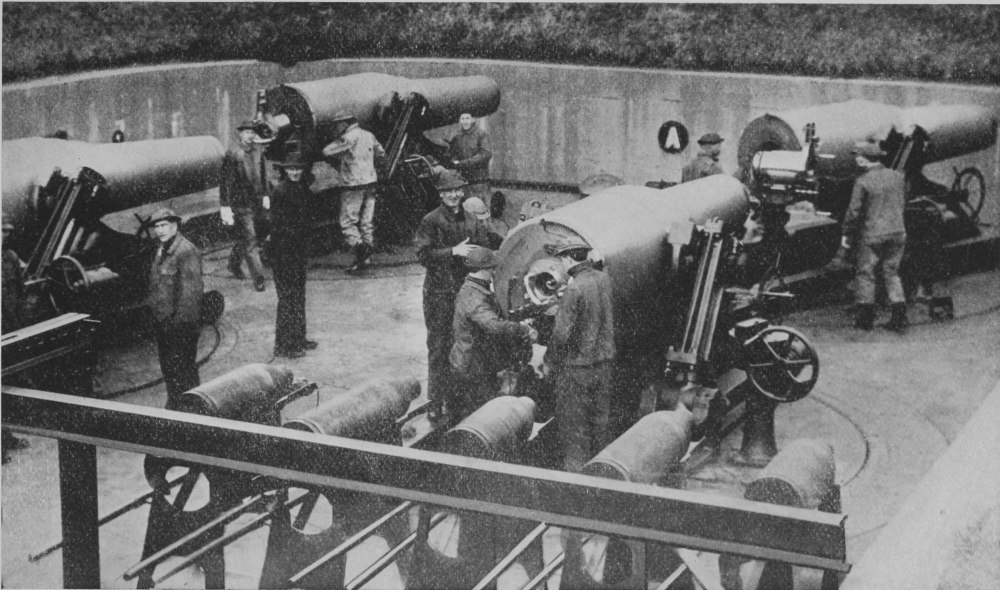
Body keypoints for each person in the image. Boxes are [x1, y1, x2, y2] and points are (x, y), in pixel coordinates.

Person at [414, 170, 503, 419]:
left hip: (463, 292)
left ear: (462, 192)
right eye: (448, 191)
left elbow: (488, 240)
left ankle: (457, 400)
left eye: (457, 190)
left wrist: (512, 242)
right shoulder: (431, 221)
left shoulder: (471, 219)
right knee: (439, 346)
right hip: (438, 294)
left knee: (463, 344)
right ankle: (435, 401)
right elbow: (423, 255)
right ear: (441, 194)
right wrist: (453, 251)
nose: (453, 195)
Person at [540, 238, 616, 473]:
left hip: (578, 369)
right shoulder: (604, 279)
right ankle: (601, 473)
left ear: (568, 259)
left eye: (561, 260)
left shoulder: (575, 288)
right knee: (599, 423)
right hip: (604, 364)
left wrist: (548, 361)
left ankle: (575, 478)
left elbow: (561, 334)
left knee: (574, 428)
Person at [449, 246, 536, 422]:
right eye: (491, 269)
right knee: (477, 415)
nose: (494, 272)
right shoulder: (473, 296)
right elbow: (493, 325)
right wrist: (523, 329)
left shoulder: (477, 288)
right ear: (483, 270)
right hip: (470, 366)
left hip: (477, 362)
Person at [843, 142, 908, 332]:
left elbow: (854, 212)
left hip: (872, 234)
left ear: (865, 159)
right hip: (898, 232)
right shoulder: (897, 176)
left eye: (858, 155)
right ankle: (899, 316)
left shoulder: (863, 181)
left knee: (865, 273)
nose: (856, 158)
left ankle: (865, 320)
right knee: (892, 272)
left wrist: (847, 233)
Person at [146, 208, 203, 409]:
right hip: (164, 324)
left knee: (184, 371)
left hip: (180, 327)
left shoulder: (186, 251)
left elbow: (191, 295)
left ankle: (191, 410)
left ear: (175, 226)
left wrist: (178, 327)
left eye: (164, 225)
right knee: (170, 370)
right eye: (156, 226)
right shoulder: (162, 249)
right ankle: (175, 406)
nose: (160, 230)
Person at [321, 111, 386, 273]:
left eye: (338, 124)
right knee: (366, 221)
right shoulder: (369, 135)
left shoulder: (348, 137)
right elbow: (381, 153)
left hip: (353, 185)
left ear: (345, 123)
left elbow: (326, 151)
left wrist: (342, 158)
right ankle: (367, 258)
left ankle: (361, 250)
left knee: (347, 222)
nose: (336, 128)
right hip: (371, 183)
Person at [270, 151, 319, 359]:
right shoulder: (280, 191)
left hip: (297, 252)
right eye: (291, 169)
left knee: (299, 296)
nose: (295, 172)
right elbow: (278, 226)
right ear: (285, 170)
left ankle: (299, 338)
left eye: (298, 168)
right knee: (288, 299)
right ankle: (285, 346)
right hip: (284, 254)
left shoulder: (302, 189)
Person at [220, 120, 269, 292]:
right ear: (240, 134)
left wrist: (266, 195)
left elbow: (263, 175)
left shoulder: (258, 151)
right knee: (250, 238)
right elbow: (225, 182)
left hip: (257, 202)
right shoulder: (233, 153)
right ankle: (259, 279)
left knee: (251, 236)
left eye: (252, 132)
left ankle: (233, 264)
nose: (250, 135)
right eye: (247, 132)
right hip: (240, 204)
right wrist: (225, 206)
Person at [2, 216, 31, 463]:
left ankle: (6, 436)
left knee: (7, 384)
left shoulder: (10, 258)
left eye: (4, 232)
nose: (2, 236)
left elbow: (20, 293)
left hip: (9, 331)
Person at [448, 112, 492, 203]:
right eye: (463, 118)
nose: (465, 121)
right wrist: (454, 161)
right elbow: (453, 153)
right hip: (463, 181)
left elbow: (485, 154)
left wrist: (464, 163)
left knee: (480, 207)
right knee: (465, 206)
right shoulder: (457, 137)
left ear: (473, 120)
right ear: (460, 121)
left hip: (479, 181)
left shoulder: (481, 134)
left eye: (467, 118)